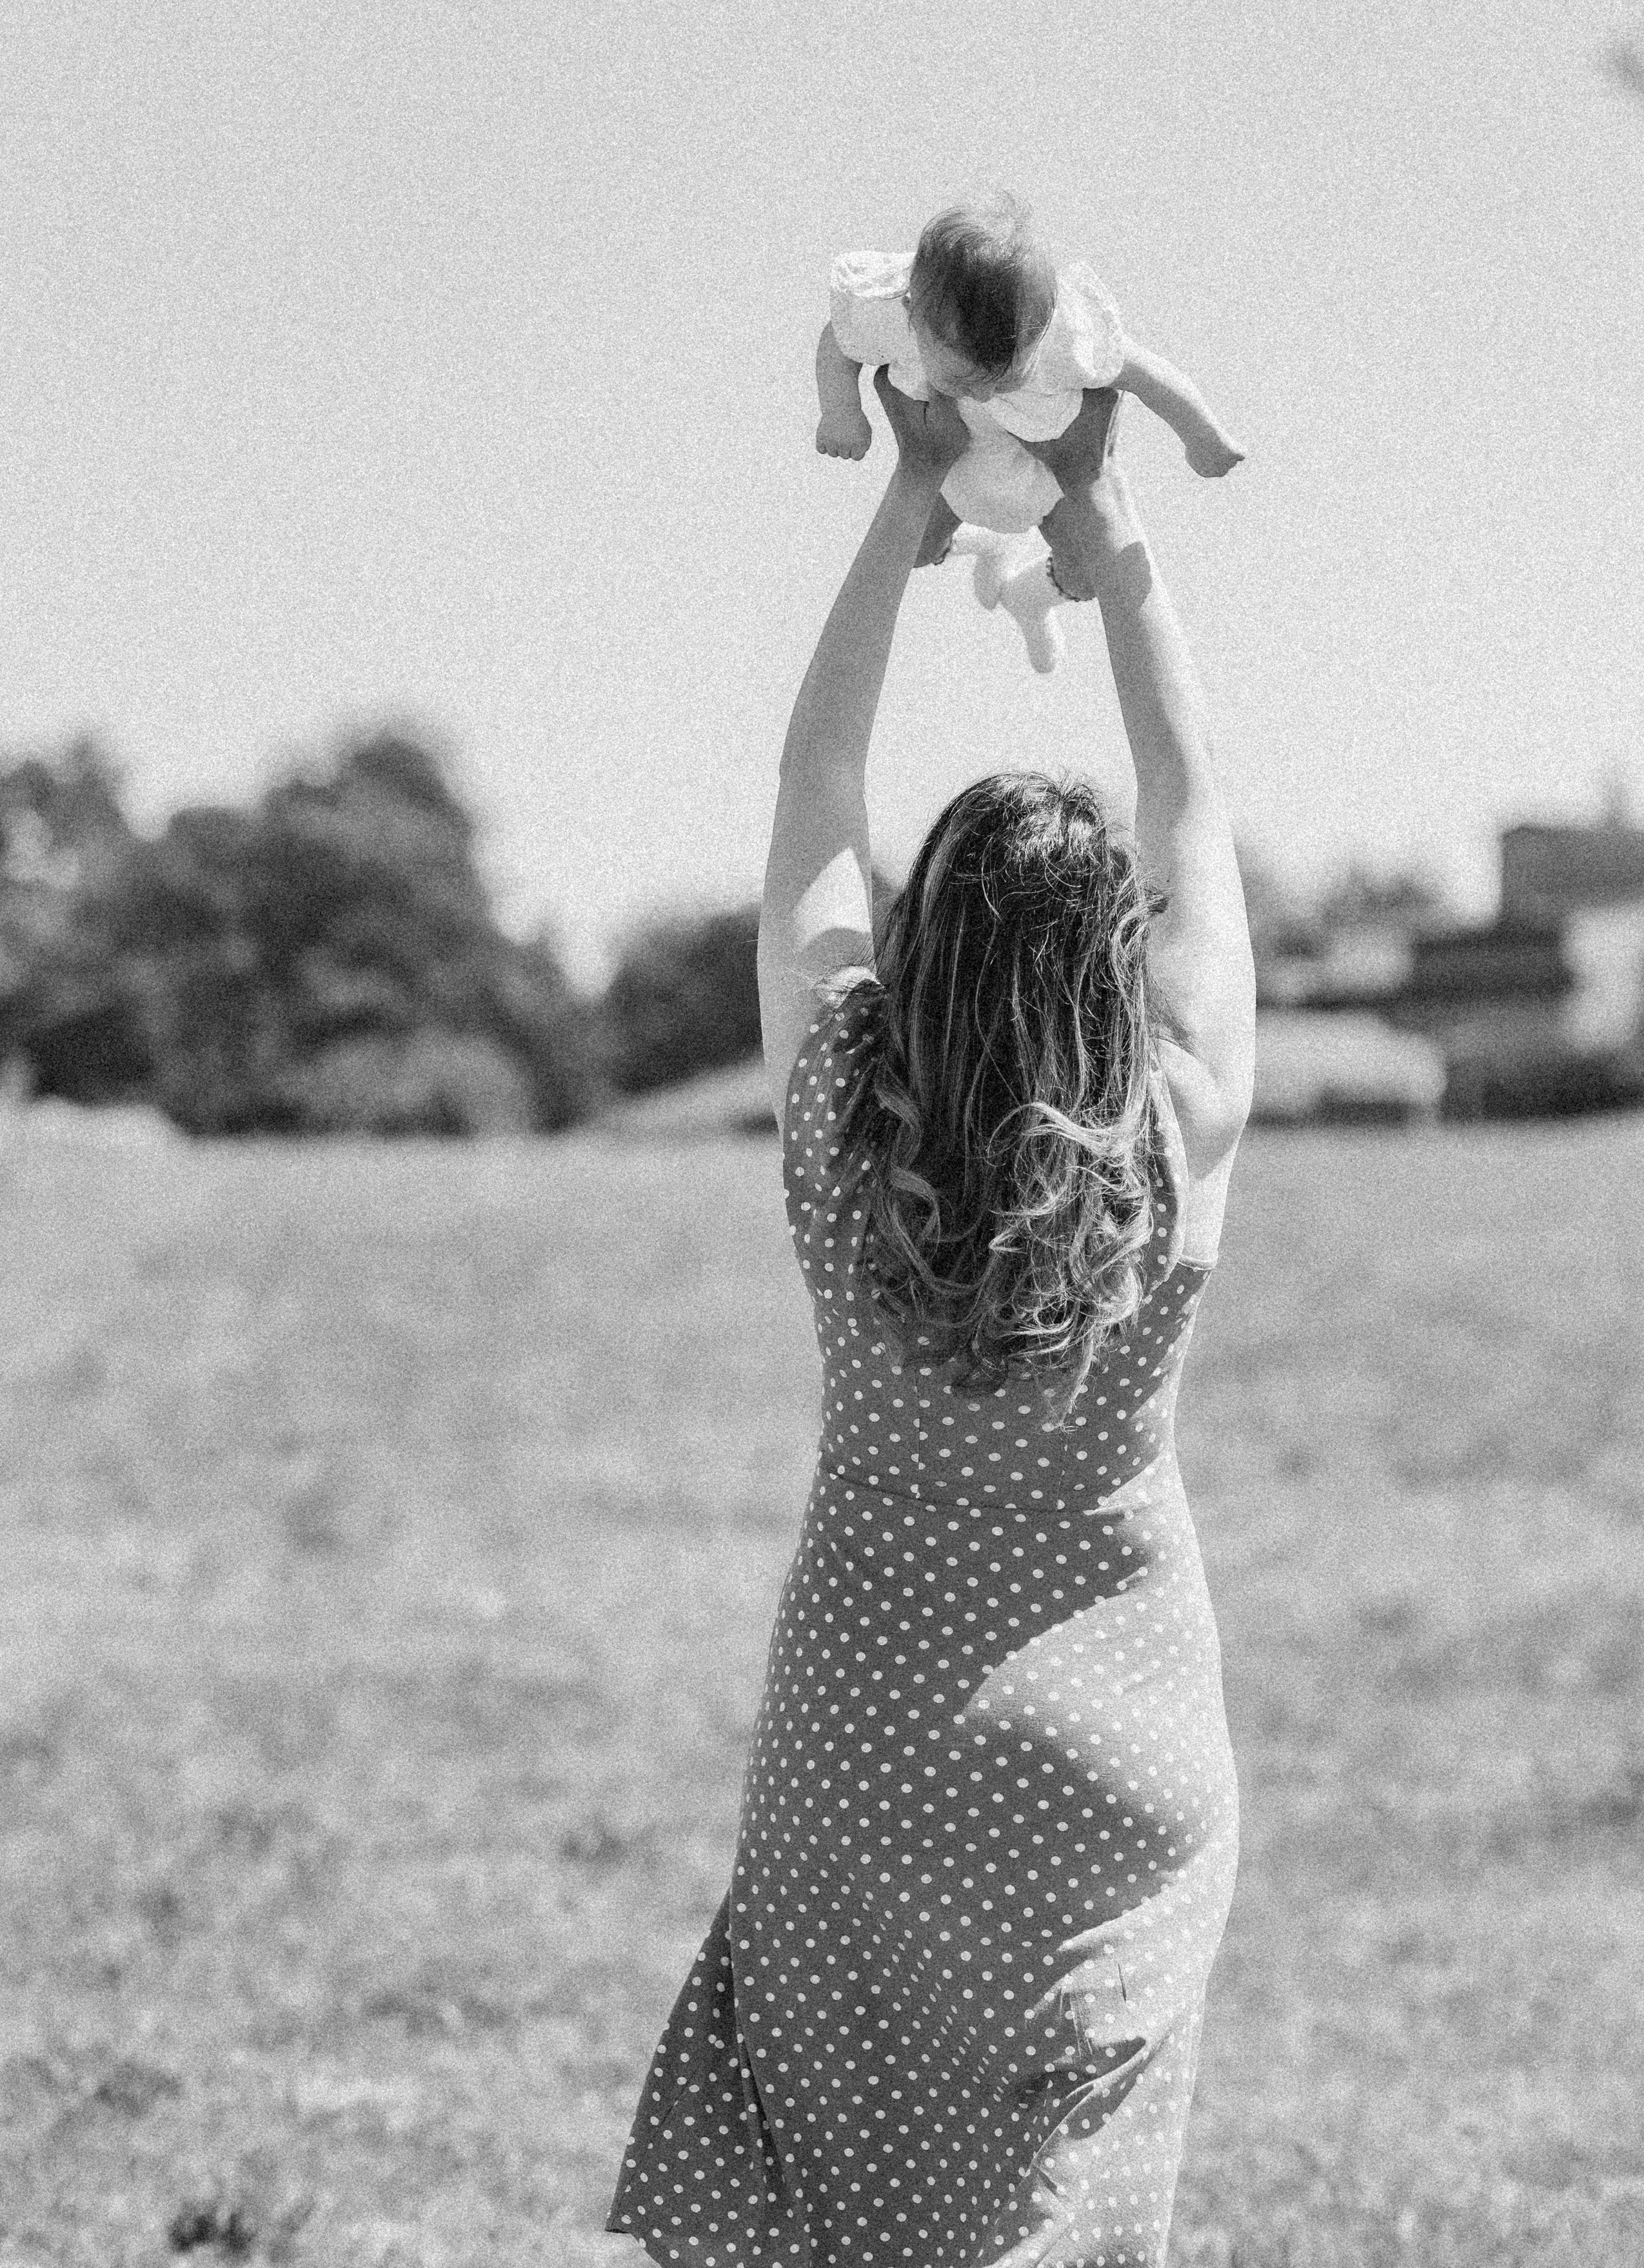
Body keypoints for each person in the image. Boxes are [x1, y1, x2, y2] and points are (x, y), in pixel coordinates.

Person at [606, 375, 1254, 2267]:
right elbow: (1195, 807)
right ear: (1110, 961)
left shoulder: (841, 1124)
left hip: (872, 1744)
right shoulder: (1171, 1127)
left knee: (847, 2212)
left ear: (922, 935)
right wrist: (1106, 529)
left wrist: (901, 500)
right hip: (1122, 1766)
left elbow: (814, 802)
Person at [815, 198, 1246, 563]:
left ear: (1044, 327)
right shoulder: (891, 315)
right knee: (917, 551)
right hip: (952, 476)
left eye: (1006, 377)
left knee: (1088, 566)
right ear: (914, 316)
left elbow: (1147, 374)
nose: (982, 393)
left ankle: (1032, 595)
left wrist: (1204, 438)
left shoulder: (1067, 339)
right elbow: (838, 340)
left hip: (1045, 475)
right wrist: (841, 413)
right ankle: (981, 549)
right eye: (965, 378)